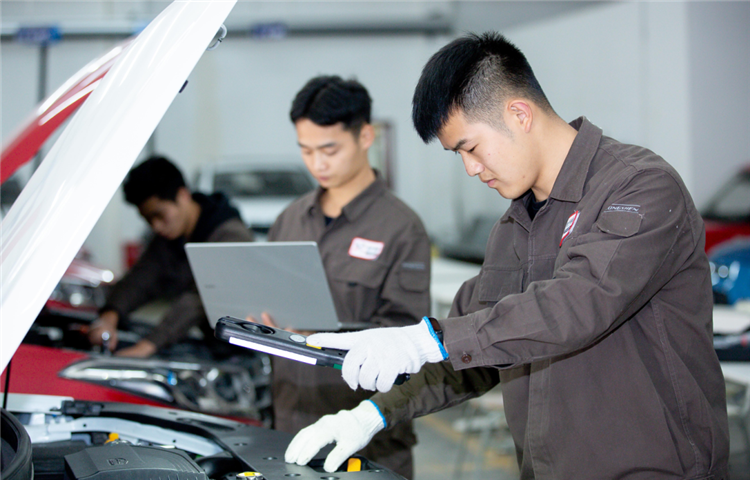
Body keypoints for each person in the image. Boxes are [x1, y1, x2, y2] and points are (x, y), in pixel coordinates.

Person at [284, 33, 730, 479]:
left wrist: (429, 340)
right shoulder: (514, 228)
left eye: (471, 148)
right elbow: (468, 353)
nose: (470, 169)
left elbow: (578, 303)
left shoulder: (639, 187)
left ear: (519, 114)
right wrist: (370, 415)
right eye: (457, 155)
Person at [260, 75, 431, 479]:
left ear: (365, 136)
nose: (317, 164)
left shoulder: (401, 228)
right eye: (306, 150)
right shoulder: (290, 220)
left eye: (329, 149)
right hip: (291, 431)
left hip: (367, 443)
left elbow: (407, 338)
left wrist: (322, 334)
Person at [88, 155, 253, 357]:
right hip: (211, 344)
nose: (156, 226)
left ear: (183, 195)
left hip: (244, 352)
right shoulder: (172, 236)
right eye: (148, 219)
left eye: (159, 215)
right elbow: (142, 277)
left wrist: (147, 346)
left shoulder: (230, 236)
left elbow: (200, 298)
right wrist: (109, 316)